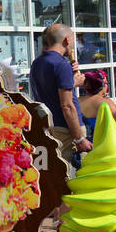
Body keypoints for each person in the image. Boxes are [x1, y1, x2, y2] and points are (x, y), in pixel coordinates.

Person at [28, 23, 93, 165]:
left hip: (47, 124)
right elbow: (67, 105)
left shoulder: (37, 62)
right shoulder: (61, 65)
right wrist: (80, 138)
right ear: (67, 40)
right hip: (66, 129)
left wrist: (71, 79)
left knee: (54, 169)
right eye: (73, 40)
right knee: (68, 172)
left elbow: (50, 87)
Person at [78, 70, 116, 145]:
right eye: (106, 83)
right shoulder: (107, 103)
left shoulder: (77, 101)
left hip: (82, 144)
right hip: (102, 147)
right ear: (103, 85)